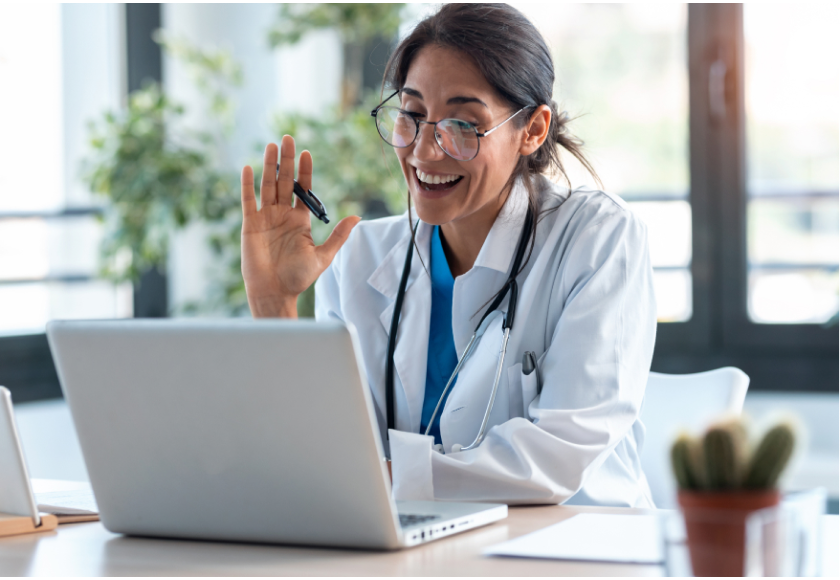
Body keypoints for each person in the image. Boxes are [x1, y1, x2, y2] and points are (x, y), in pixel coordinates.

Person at [239, 3, 656, 507]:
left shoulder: (597, 238)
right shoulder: (359, 258)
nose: (425, 151)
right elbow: (321, 454)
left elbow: (558, 456)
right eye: (412, 116)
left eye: (462, 124)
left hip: (573, 546)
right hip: (416, 548)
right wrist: (274, 306)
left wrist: (383, 479)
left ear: (533, 129)